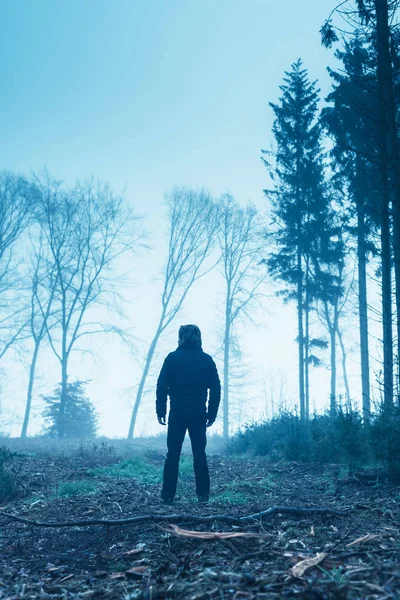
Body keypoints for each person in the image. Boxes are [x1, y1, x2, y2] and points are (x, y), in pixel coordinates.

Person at [156, 324, 221, 505]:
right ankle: (203, 495)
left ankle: (168, 496)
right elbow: (216, 388)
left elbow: (161, 386)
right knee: (199, 453)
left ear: (180, 337)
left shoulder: (172, 359)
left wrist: (161, 410)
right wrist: (212, 413)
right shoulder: (206, 360)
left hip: (177, 413)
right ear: (198, 337)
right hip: (198, 413)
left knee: (173, 454)